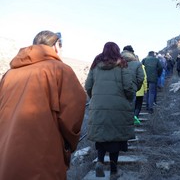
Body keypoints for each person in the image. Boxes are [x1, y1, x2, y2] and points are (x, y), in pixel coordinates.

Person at [0, 30, 87, 180]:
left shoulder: (9, 74)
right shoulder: (61, 70)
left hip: (7, 157)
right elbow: (73, 117)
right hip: (44, 159)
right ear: (56, 46)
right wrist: (68, 145)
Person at [85, 42, 136, 178]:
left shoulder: (96, 64)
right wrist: (129, 98)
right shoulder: (122, 64)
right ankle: (114, 171)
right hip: (117, 106)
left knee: (101, 135)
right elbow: (128, 87)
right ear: (117, 51)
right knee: (115, 139)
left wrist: (95, 99)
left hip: (98, 106)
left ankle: (100, 162)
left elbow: (88, 85)